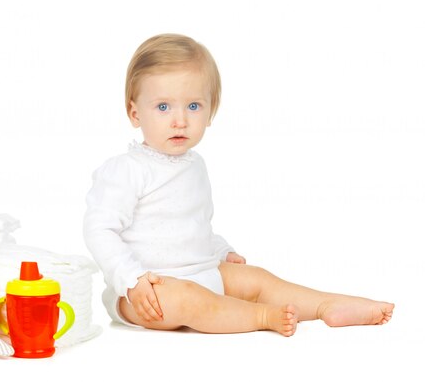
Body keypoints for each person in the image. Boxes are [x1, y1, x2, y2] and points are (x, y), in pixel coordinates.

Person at [83, 33, 394, 336]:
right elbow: (100, 229)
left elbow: (192, 226)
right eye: (163, 107)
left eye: (193, 106)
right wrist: (131, 279)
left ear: (210, 110)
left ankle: (328, 305)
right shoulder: (126, 170)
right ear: (134, 112)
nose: (180, 120)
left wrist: (221, 250)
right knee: (189, 300)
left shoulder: (195, 165)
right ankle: (261, 316)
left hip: (203, 271)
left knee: (257, 280)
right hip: (148, 293)